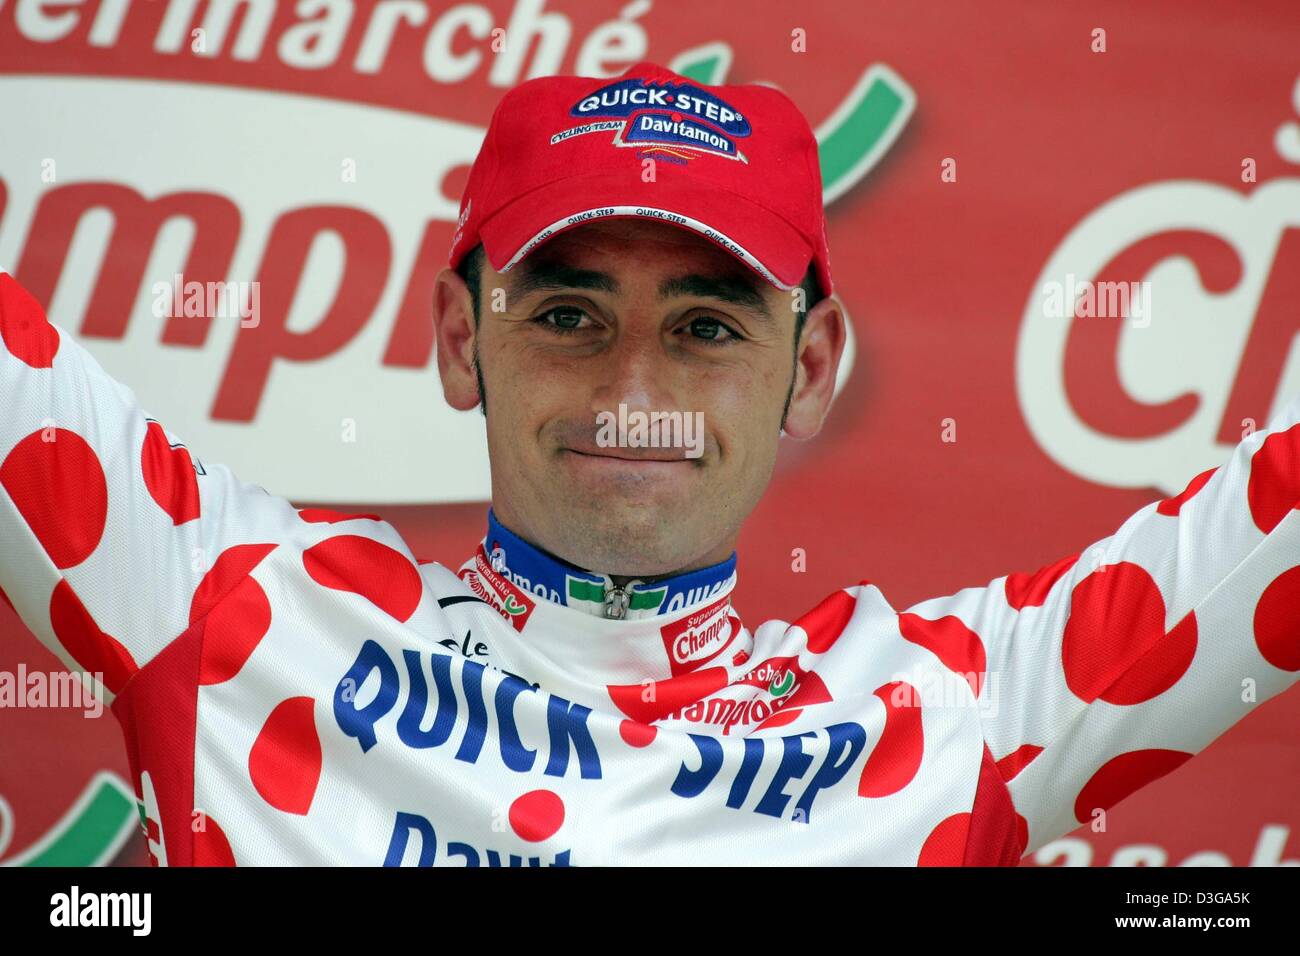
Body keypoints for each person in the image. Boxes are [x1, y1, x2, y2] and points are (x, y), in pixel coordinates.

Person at [1, 61, 1298, 867]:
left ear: (809, 367)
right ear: (463, 340)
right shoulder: (230, 614)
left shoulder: (956, 723)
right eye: (567, 316)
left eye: (706, 328)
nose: (631, 393)